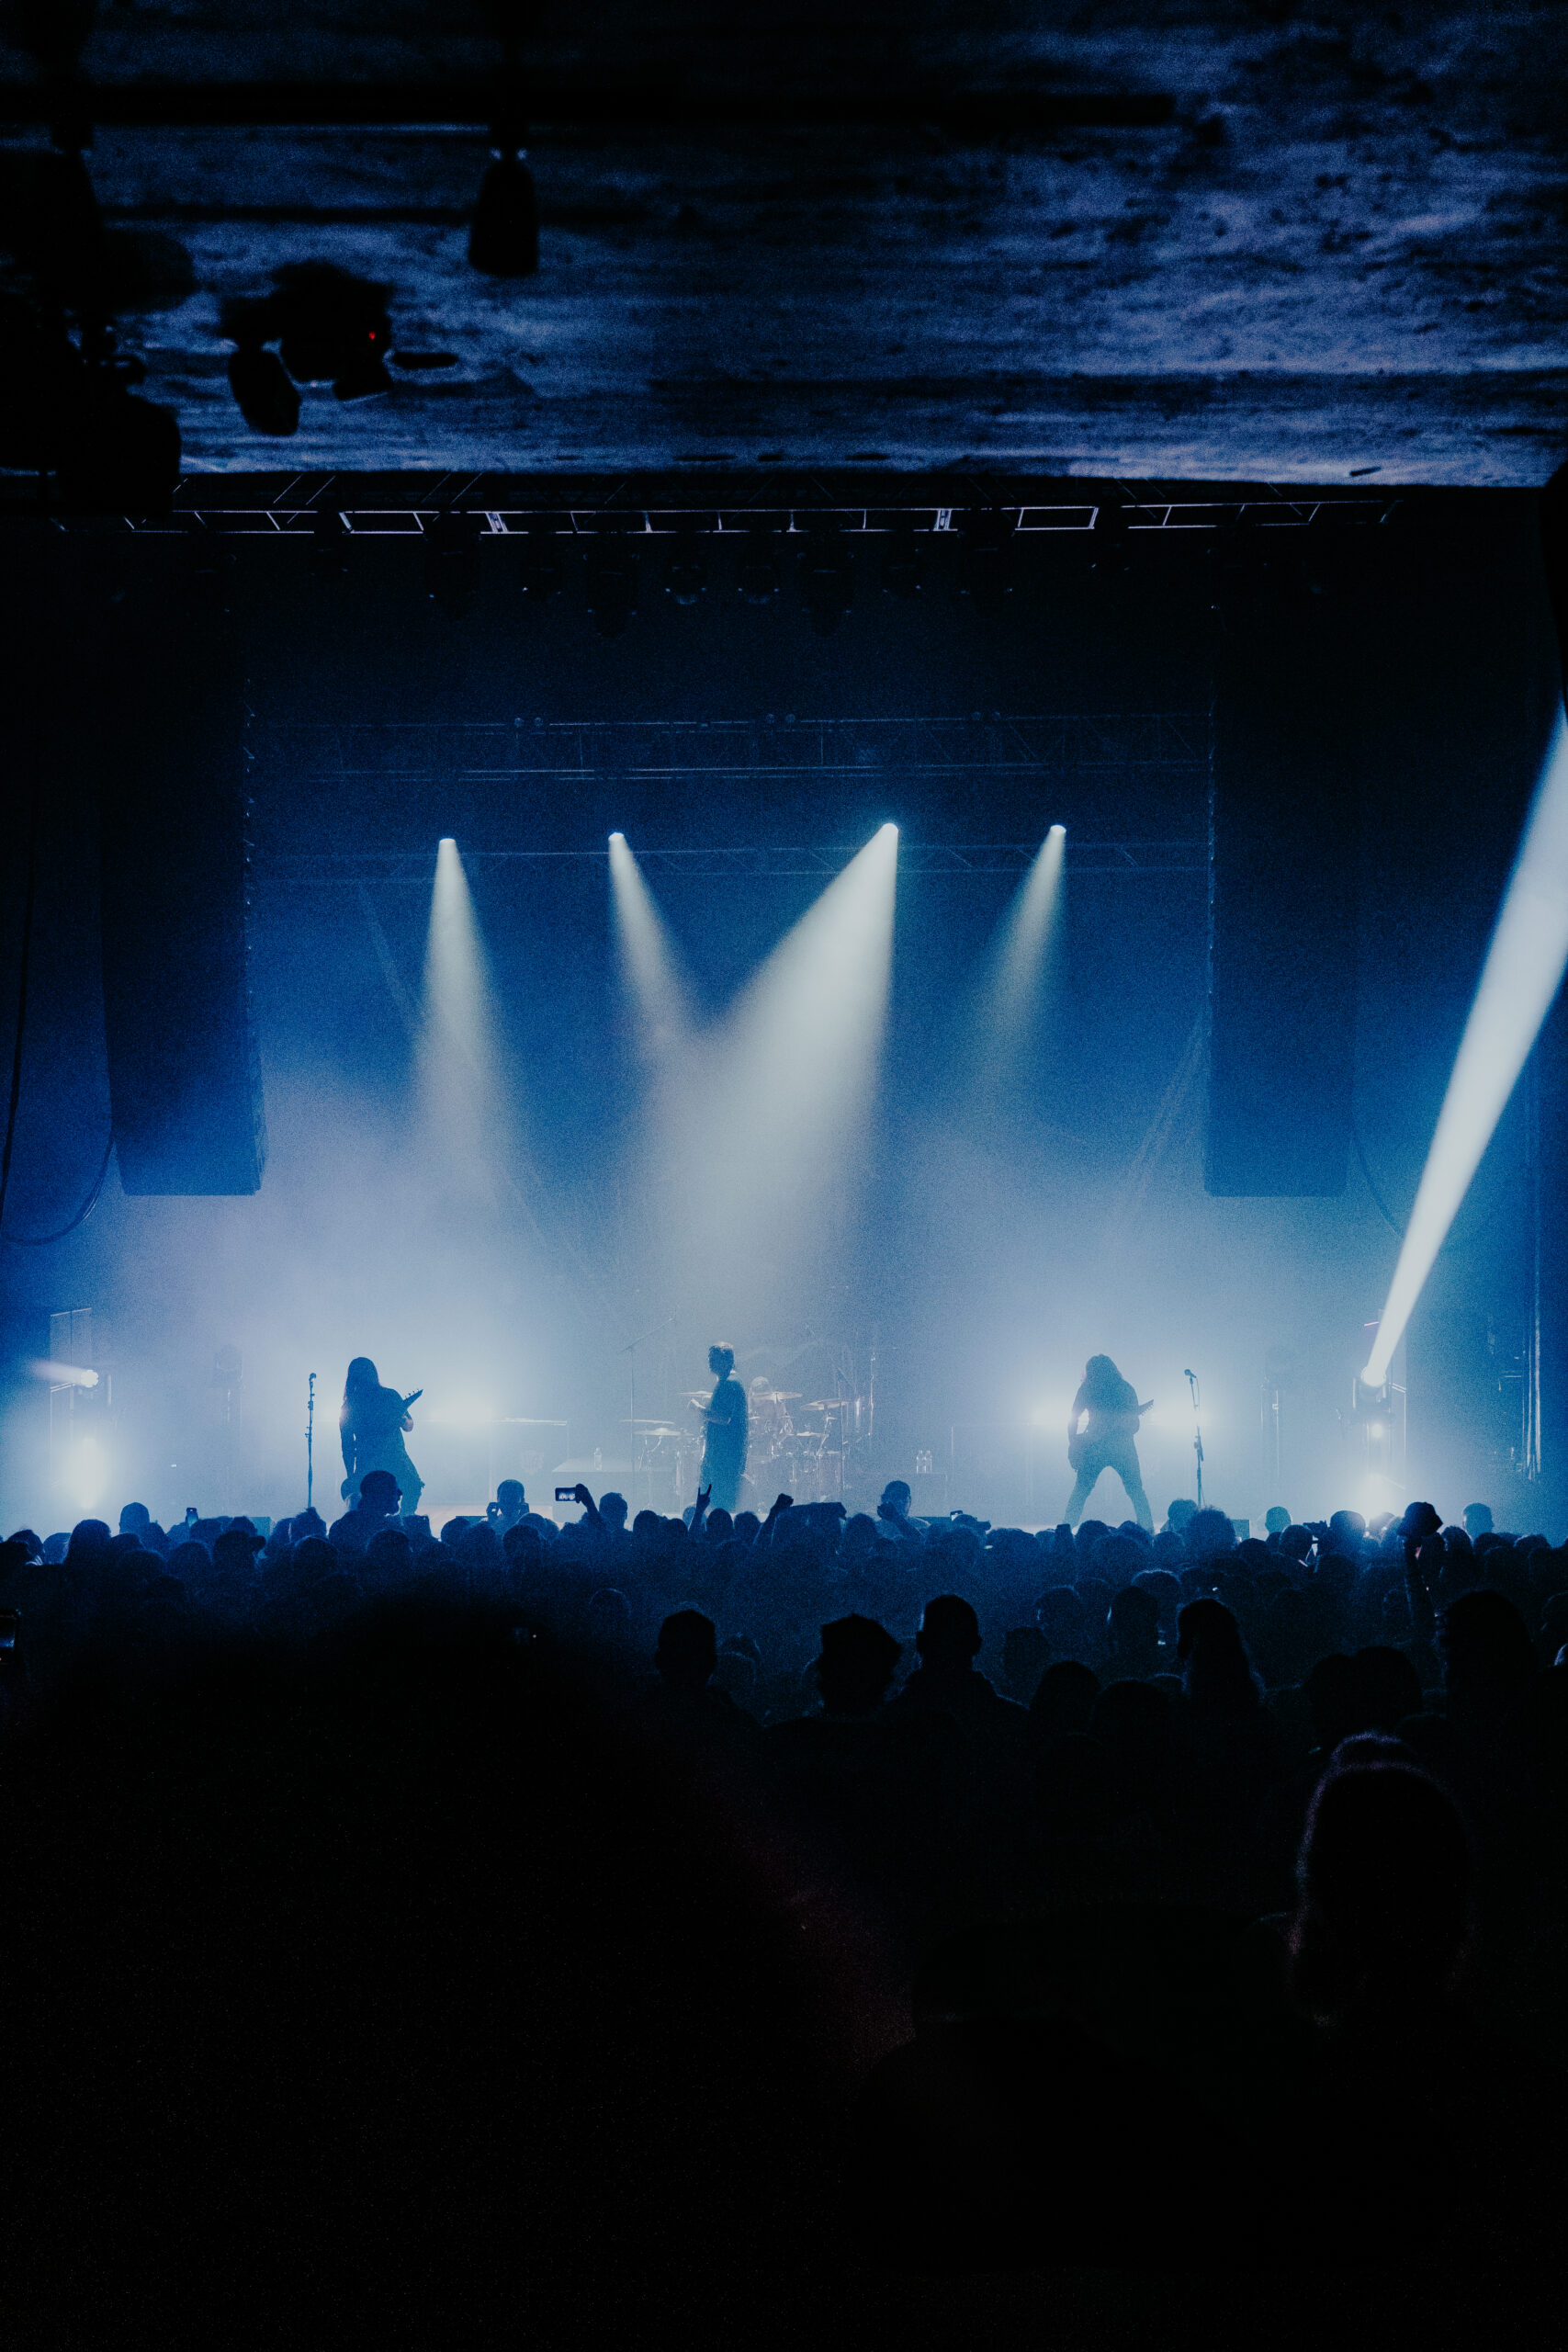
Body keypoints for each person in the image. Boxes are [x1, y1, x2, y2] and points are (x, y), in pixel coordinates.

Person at [1064, 1355, 1154, 1532]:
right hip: (1122, 1448)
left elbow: (1073, 1418)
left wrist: (1073, 1442)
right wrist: (1124, 1426)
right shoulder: (1126, 1389)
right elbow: (1135, 1427)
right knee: (1136, 1491)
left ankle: (1064, 1530)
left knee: (1081, 1491)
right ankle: (1148, 1531)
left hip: (1094, 1448)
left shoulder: (1087, 1388)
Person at [339, 1357, 423, 1519]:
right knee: (412, 1486)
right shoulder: (388, 1396)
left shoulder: (350, 1405)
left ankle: (391, 1522)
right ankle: (404, 1520)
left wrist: (351, 1475)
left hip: (377, 1458)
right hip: (391, 1457)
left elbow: (347, 1446)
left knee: (407, 1487)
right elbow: (347, 1444)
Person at [693, 1344, 747, 1515]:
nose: (709, 1362)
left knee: (718, 1500)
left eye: (713, 1358)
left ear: (726, 1361)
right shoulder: (729, 1382)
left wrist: (698, 1408)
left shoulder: (729, 1384)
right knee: (718, 1500)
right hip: (723, 1453)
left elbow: (724, 1418)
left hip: (724, 1455)